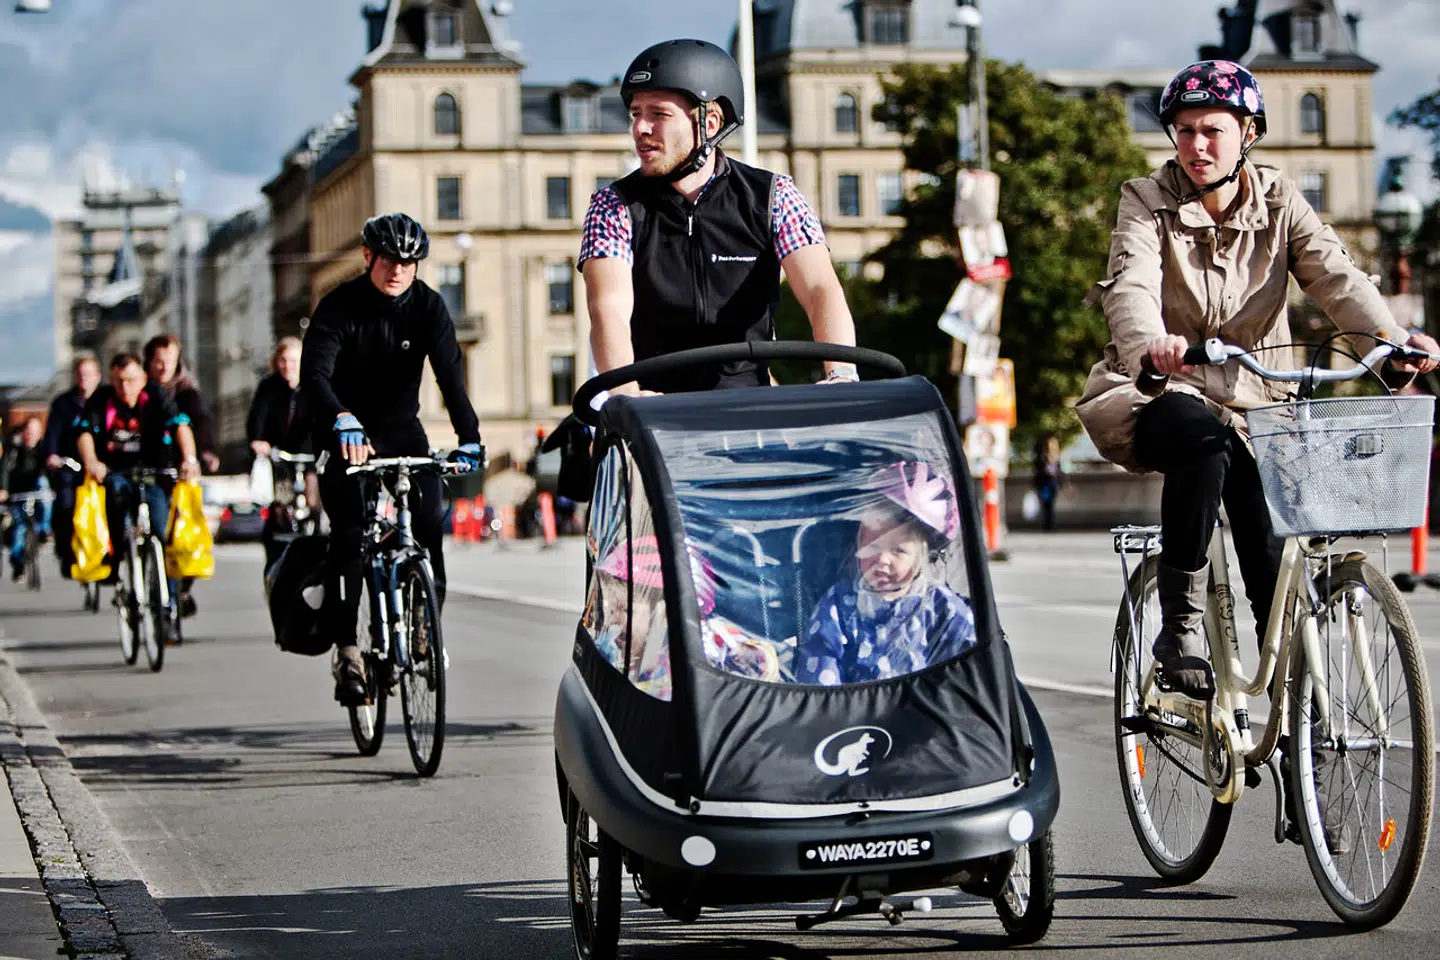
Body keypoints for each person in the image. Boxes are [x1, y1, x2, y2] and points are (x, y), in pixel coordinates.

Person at [1075, 59, 1440, 702]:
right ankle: (1181, 624)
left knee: (1271, 565)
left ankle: (1300, 732)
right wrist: (1151, 346)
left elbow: (1336, 278)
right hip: (1160, 388)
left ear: (1248, 132)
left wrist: (1389, 346)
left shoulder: (1280, 201)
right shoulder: (1145, 200)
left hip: (1256, 401)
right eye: (1184, 131)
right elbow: (1129, 285)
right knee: (1200, 442)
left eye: (1212, 130)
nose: (1195, 145)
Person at [579, 38, 860, 395]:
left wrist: (841, 375)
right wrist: (626, 395)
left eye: (658, 114)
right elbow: (607, 309)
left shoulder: (774, 196)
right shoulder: (613, 206)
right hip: (656, 408)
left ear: (710, 123)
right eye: (636, 113)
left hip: (747, 404)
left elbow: (820, 288)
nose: (640, 129)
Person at [301, 212, 485, 706]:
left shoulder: (427, 307)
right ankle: (347, 652)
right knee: (350, 537)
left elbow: (451, 378)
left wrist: (470, 439)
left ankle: (424, 627)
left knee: (428, 522)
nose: (399, 270)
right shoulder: (339, 307)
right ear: (368, 258)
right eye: (389, 261)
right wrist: (340, 419)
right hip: (344, 431)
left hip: (401, 428)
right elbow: (314, 376)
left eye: (409, 262)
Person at [796, 462, 977, 685]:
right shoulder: (840, 605)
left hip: (922, 715)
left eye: (898, 550)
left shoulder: (943, 610)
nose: (882, 559)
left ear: (924, 556)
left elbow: (968, 676)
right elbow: (819, 670)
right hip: (855, 717)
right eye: (872, 546)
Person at [75, 354, 200, 579]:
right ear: (111, 380)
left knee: (161, 529)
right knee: (115, 504)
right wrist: (92, 462)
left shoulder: (155, 395)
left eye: (130, 380)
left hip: (153, 470)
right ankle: (118, 560)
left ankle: (167, 599)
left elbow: (181, 426)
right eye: (119, 381)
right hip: (116, 471)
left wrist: (189, 459)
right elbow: (85, 433)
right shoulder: (101, 398)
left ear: (143, 379)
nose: (125, 387)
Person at [44, 353, 102, 577]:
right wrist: (52, 455)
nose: (83, 379)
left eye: (88, 374)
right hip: (71, 465)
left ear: (97, 376)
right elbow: (53, 434)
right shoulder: (63, 403)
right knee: (65, 505)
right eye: (80, 375)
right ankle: (66, 551)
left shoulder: (105, 400)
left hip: (100, 466)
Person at [144, 335, 219, 474]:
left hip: (178, 461)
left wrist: (205, 450)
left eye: (170, 362)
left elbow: (200, 419)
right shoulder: (138, 386)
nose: (165, 368)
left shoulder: (187, 389)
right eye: (159, 362)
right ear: (149, 362)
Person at [0, 417, 52, 581]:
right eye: (28, 431)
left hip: (36, 493)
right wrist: (4, 489)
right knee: (19, 528)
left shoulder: (43, 449)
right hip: (16, 494)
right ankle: (18, 562)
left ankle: (44, 530)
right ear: (23, 432)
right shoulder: (13, 449)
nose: (30, 435)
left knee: (45, 491)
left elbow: (50, 472)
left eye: (34, 432)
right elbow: (5, 470)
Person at [1032, 435, 1063, 532]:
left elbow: (1060, 473)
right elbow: (1038, 471)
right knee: (1046, 505)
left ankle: (1050, 524)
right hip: (1044, 485)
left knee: (1050, 506)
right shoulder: (1041, 457)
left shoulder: (1056, 458)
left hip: (1052, 485)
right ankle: (1047, 525)